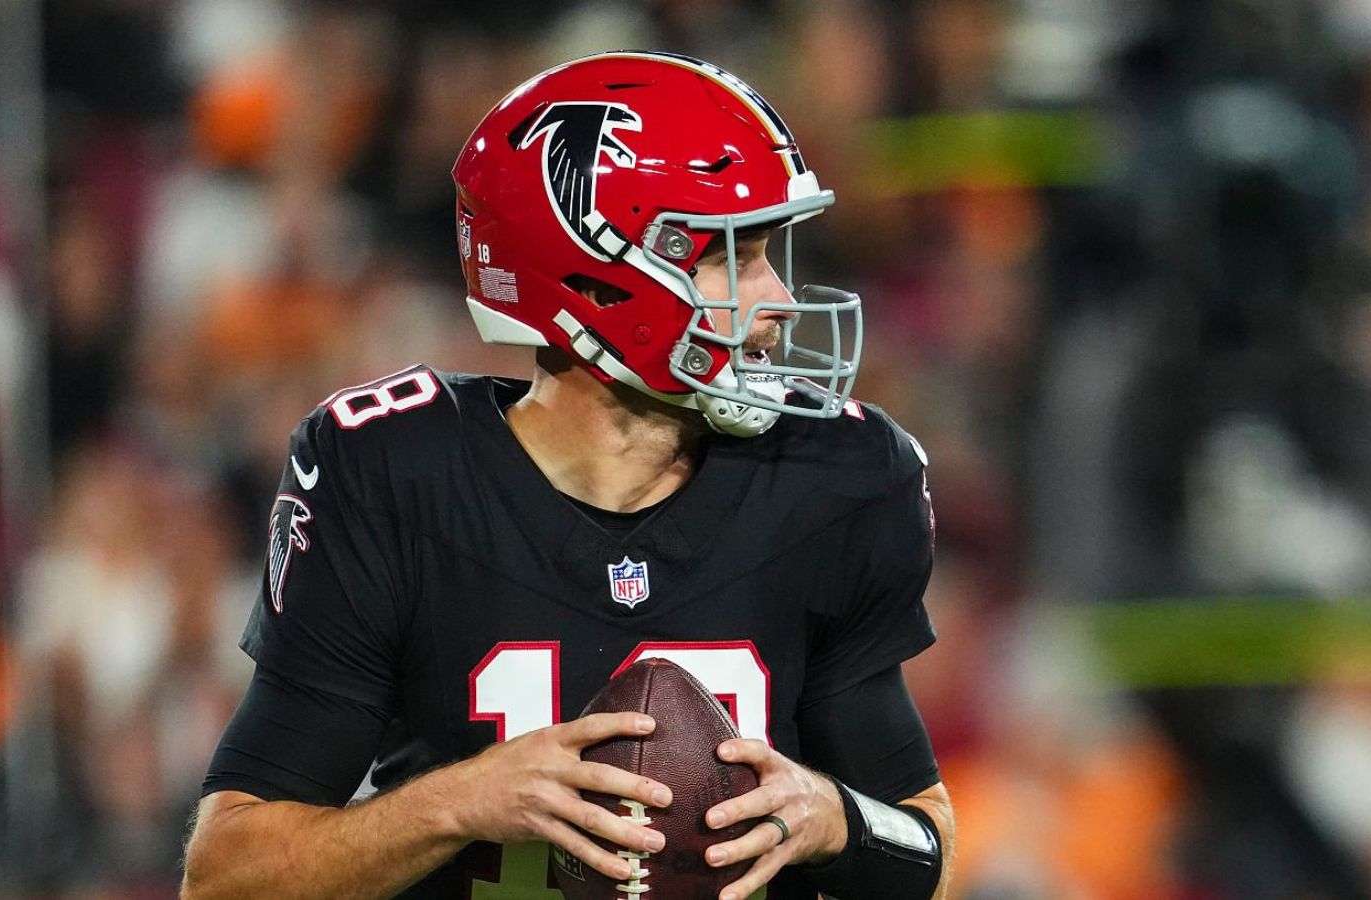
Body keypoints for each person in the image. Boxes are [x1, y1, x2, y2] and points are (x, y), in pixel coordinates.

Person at [182, 51, 955, 900]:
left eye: (769, 252)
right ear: (599, 273)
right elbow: (226, 877)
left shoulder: (829, 475)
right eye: (728, 257)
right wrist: (457, 803)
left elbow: (933, 854)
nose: (773, 299)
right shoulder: (393, 477)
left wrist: (840, 819)